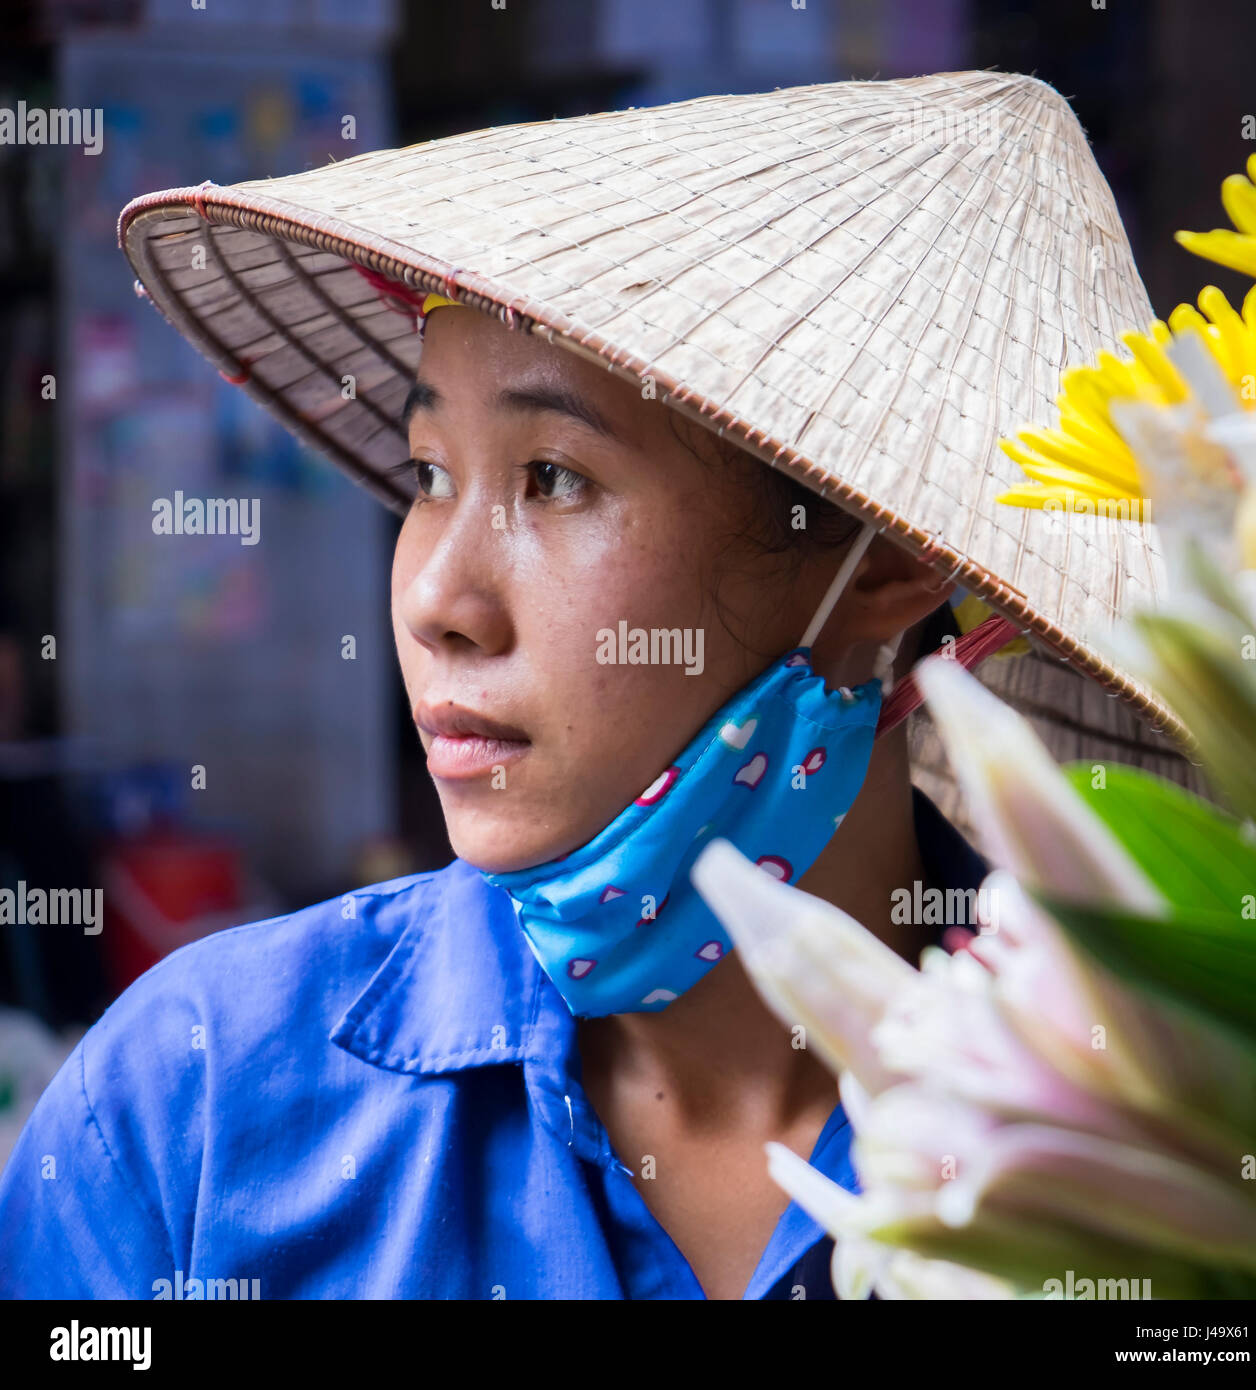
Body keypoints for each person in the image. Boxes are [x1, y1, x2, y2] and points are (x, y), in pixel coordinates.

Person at [0, 71, 1192, 1299]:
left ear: (884, 558)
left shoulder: (1165, 1139)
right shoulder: (189, 1116)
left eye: (555, 478)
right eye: (428, 475)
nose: (434, 603)